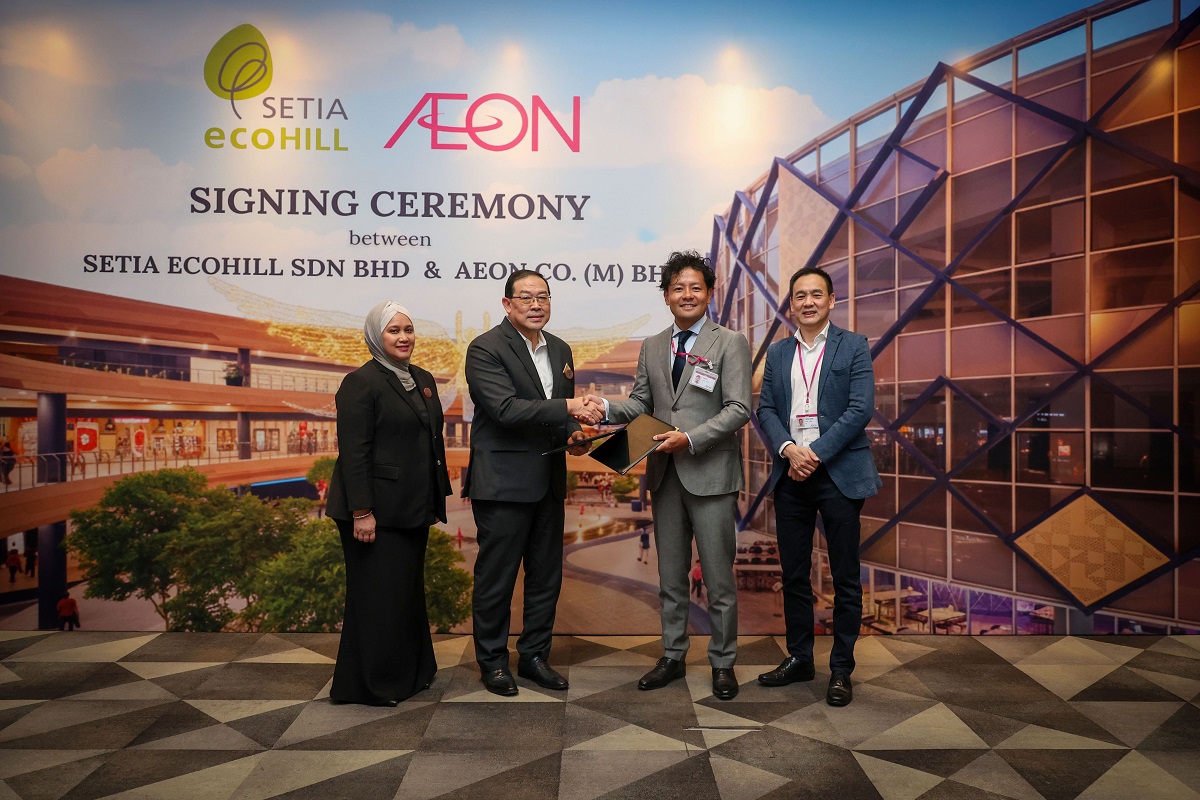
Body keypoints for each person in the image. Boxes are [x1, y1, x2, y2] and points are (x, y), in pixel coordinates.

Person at [587, 250, 751, 701]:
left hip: (711, 475)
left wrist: (691, 438)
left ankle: (723, 662)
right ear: (666, 296)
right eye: (678, 288)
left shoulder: (729, 342)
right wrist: (604, 407)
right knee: (671, 577)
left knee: (718, 579)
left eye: (695, 287)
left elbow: (739, 408)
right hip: (664, 477)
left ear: (709, 293)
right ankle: (673, 655)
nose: (687, 294)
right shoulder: (653, 345)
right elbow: (642, 404)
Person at [464, 269, 599, 696]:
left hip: (548, 481)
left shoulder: (560, 349)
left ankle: (535, 657)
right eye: (526, 297)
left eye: (543, 296)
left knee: (545, 577)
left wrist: (573, 437)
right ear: (507, 304)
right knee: (497, 579)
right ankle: (492, 662)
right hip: (503, 483)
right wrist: (570, 408)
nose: (536, 304)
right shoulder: (485, 348)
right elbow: (505, 410)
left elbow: (555, 416)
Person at [755, 266, 881, 708]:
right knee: (793, 574)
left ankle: (841, 669)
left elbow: (860, 408)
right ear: (791, 305)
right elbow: (766, 410)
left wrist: (815, 453)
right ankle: (800, 658)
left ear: (831, 300)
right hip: (791, 473)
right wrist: (790, 449)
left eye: (816, 294)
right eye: (799, 296)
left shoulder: (854, 345)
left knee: (845, 577)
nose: (807, 302)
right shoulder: (778, 352)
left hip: (838, 473)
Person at [324, 300, 453, 707]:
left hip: (412, 507)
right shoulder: (360, 383)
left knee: (405, 595)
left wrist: (435, 496)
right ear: (375, 336)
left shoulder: (422, 378)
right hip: (374, 512)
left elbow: (429, 441)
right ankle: (373, 685)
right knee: (378, 600)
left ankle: (413, 674)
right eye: (393, 330)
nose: (403, 337)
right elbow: (354, 453)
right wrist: (362, 511)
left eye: (408, 329)